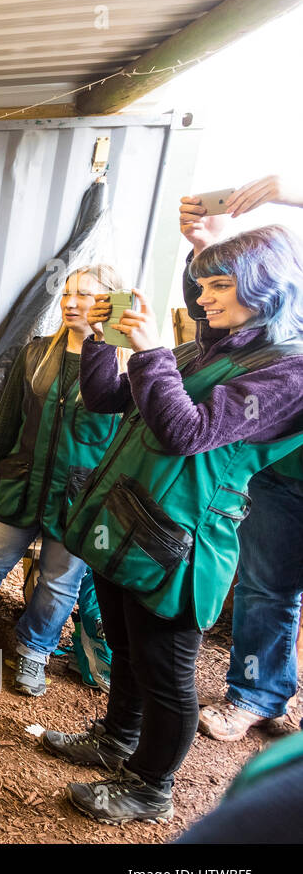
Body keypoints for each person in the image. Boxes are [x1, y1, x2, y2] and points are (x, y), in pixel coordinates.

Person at [43, 224, 303, 825]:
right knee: (128, 650)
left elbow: (187, 433)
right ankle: (116, 739)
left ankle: (149, 787)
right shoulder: (209, 348)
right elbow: (109, 397)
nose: (204, 298)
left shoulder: (286, 371)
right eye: (202, 284)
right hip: (128, 517)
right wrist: (98, 339)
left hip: (180, 542)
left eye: (218, 285)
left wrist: (154, 350)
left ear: (265, 287)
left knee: (166, 673)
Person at [0, 267, 126, 695]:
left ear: (111, 302)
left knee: (60, 580)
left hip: (80, 496)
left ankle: (35, 651)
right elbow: (7, 422)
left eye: (85, 295)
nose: (70, 302)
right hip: (20, 482)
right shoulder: (36, 354)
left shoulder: (125, 369)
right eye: (67, 293)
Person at [179, 176, 303, 742]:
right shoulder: (271, 329)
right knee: (267, 586)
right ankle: (257, 693)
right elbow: (216, 324)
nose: (207, 296)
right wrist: (205, 247)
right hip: (283, 476)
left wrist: (289, 190)